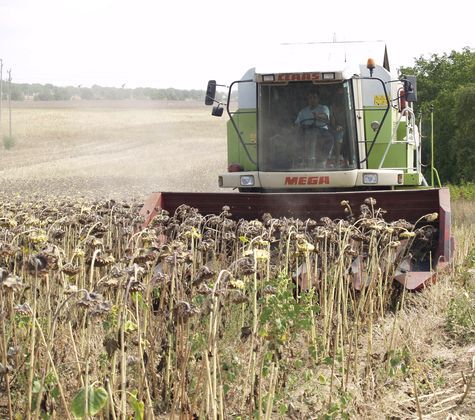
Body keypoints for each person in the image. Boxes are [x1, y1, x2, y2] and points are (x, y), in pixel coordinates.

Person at [295, 91, 333, 166]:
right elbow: (297, 123)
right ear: (308, 99)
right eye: (310, 98)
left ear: (318, 99)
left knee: (330, 138)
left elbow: (326, 117)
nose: (312, 100)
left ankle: (323, 159)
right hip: (305, 130)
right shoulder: (303, 111)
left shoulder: (323, 108)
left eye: (314, 98)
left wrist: (318, 115)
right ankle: (300, 158)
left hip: (321, 130)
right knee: (296, 137)